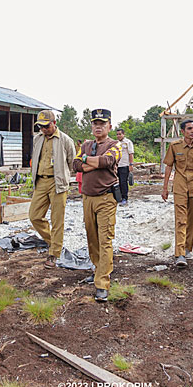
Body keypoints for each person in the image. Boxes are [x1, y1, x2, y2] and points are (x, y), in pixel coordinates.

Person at [73, 109, 121, 302]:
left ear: (109, 126)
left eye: (102, 123)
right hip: (87, 198)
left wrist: (87, 160)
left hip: (106, 199)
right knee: (91, 238)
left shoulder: (115, 145)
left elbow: (108, 160)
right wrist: (92, 162)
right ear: (91, 126)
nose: (98, 127)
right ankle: (97, 269)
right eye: (95, 123)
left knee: (105, 239)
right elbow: (75, 164)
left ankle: (102, 283)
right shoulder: (86, 145)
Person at [29, 109, 76, 269]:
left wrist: (63, 178)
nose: (43, 129)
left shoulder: (65, 140)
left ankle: (54, 253)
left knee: (57, 220)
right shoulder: (37, 139)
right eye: (40, 127)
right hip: (41, 181)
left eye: (46, 126)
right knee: (34, 216)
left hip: (58, 183)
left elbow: (72, 162)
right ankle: (54, 242)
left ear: (54, 123)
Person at [161, 119, 193, 267]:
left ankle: (188, 248)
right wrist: (165, 188)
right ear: (183, 131)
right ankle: (180, 253)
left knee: (192, 219)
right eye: (189, 129)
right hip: (180, 186)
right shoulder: (174, 146)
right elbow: (169, 167)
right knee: (180, 219)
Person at [115, 128, 134, 205]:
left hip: (124, 165)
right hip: (116, 166)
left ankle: (124, 198)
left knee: (123, 182)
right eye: (117, 134)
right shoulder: (116, 143)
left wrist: (131, 164)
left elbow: (131, 154)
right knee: (116, 182)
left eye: (120, 134)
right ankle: (118, 197)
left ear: (123, 134)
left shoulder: (128, 142)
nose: (118, 136)